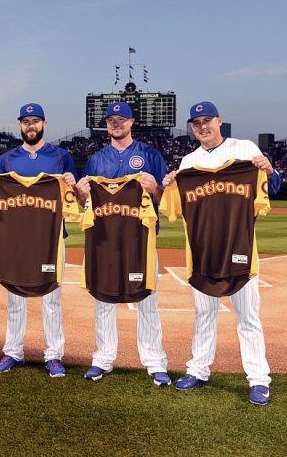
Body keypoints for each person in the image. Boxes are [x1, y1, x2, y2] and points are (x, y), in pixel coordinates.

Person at [161, 101, 281, 406]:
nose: (202, 126)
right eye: (196, 122)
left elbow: (272, 187)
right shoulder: (188, 163)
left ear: (219, 120)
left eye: (207, 120)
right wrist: (169, 185)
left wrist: (270, 170)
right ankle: (198, 369)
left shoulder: (244, 149)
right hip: (202, 252)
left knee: (248, 316)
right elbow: (172, 206)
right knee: (204, 313)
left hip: (239, 248)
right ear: (192, 127)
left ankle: (258, 378)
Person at [75, 101, 170, 386]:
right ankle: (103, 358)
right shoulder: (95, 160)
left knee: (147, 299)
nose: (116, 124)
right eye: (111, 120)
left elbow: (165, 201)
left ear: (132, 123)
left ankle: (155, 362)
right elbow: (86, 204)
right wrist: (80, 195)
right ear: (106, 125)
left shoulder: (150, 155)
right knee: (103, 299)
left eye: (121, 119)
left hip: (141, 237)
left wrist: (155, 188)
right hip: (105, 237)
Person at [0, 103, 78, 378]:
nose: (30, 126)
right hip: (16, 238)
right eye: (25, 121)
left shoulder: (62, 157)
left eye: (35, 121)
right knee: (15, 296)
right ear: (20, 125)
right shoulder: (7, 160)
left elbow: (75, 196)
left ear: (44, 124)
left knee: (51, 298)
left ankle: (54, 355)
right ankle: (13, 351)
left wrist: (72, 182)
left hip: (51, 237)